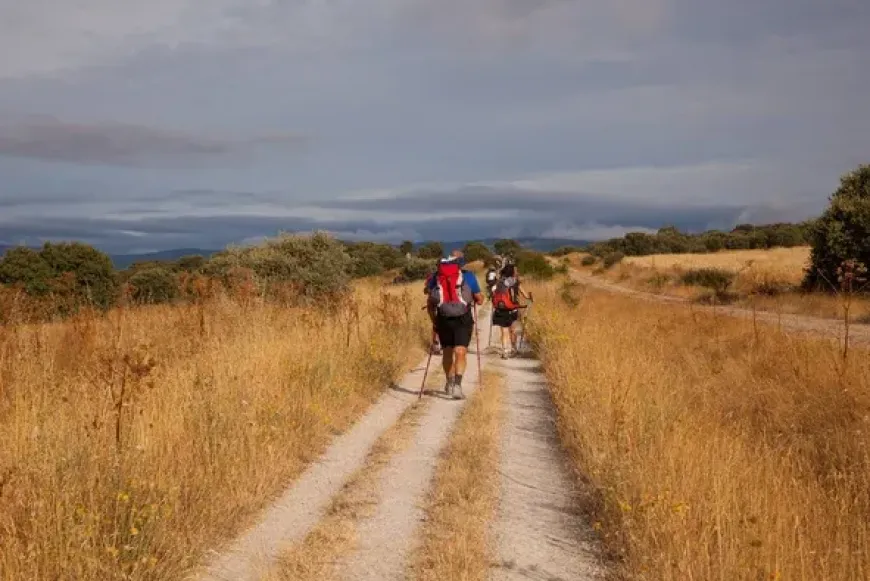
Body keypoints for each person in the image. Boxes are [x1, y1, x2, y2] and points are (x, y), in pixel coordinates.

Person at [425, 250, 484, 399]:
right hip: (463, 318)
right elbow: (480, 299)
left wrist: (434, 322)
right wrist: (477, 298)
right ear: (461, 263)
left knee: (447, 352)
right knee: (461, 351)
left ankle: (449, 382)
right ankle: (458, 385)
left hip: (443, 319)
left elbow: (430, 300)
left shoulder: (437, 277)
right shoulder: (468, 276)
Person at [490, 262, 530, 359]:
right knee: (513, 329)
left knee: (504, 331)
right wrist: (530, 298)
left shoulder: (499, 282)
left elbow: (493, 292)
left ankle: (505, 351)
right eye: (515, 271)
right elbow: (525, 295)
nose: (517, 272)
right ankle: (514, 348)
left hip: (500, 308)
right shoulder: (515, 281)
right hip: (513, 309)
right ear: (512, 272)